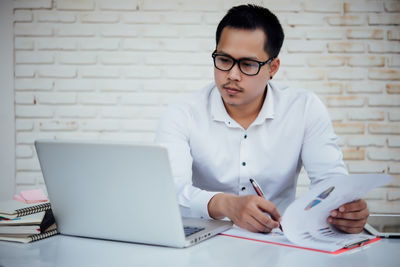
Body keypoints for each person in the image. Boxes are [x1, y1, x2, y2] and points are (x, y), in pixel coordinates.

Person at [155, 4, 369, 234]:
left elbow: (330, 183)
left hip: (279, 241)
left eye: (248, 64)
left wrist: (345, 210)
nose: (232, 75)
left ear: (273, 68)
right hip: (203, 241)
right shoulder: (183, 112)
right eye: (224, 60)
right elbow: (168, 192)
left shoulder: (304, 108)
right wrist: (226, 204)